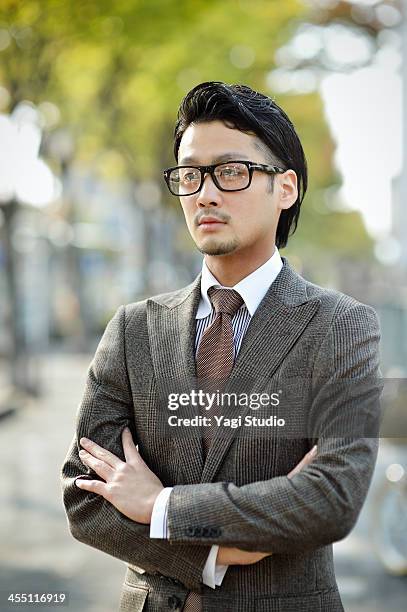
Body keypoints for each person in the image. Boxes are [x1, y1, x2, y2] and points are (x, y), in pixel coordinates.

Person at [61, 81, 382, 612]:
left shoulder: (341, 327)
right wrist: (213, 555)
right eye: (190, 175)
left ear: (285, 188)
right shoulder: (132, 329)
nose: (204, 194)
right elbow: (84, 496)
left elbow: (332, 498)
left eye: (230, 172)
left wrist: (162, 506)